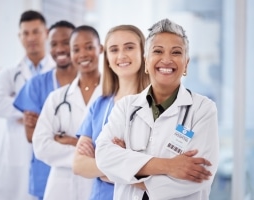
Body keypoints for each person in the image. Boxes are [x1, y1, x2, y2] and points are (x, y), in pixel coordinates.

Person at [95, 18, 219, 200]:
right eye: (158, 51)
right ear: (146, 62)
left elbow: (200, 175)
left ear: (186, 64)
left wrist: (126, 172)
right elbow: (104, 157)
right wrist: (169, 166)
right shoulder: (126, 107)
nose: (166, 59)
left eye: (176, 52)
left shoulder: (202, 109)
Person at [73, 24, 150, 200]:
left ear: (143, 53)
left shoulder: (155, 105)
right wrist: (123, 165)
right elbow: (79, 164)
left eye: (129, 47)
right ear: (107, 58)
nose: (121, 55)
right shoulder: (99, 105)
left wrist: (102, 162)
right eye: (114, 50)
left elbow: (155, 175)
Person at [32, 25, 103, 200]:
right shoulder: (57, 98)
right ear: (71, 54)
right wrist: (89, 156)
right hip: (61, 189)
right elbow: (41, 145)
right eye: (76, 49)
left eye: (89, 47)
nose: (83, 54)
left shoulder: (114, 95)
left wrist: (72, 142)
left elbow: (118, 148)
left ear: (100, 49)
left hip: (99, 186)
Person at [0, 10, 54, 200]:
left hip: (49, 148)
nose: (31, 38)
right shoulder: (9, 73)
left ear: (46, 33)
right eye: (25, 33)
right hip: (17, 152)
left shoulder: (57, 72)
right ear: (20, 36)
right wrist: (30, 111)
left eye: (36, 31)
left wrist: (18, 102)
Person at [13, 20, 77, 200]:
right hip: (45, 174)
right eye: (54, 44)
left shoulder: (92, 84)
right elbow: (32, 136)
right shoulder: (36, 84)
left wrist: (55, 136)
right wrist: (76, 141)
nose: (60, 49)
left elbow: (98, 140)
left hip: (84, 174)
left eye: (66, 42)